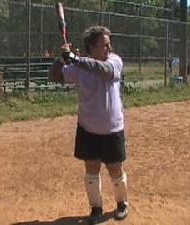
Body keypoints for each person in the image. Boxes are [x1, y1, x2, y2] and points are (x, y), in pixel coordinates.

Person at [49, 26, 129, 225]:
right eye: (104, 44)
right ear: (92, 47)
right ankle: (96, 208)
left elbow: (104, 71)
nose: (109, 48)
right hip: (88, 129)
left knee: (115, 171)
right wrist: (62, 58)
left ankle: (122, 204)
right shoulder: (79, 68)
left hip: (112, 129)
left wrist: (75, 60)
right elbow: (54, 76)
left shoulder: (114, 61)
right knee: (91, 172)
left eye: (109, 44)